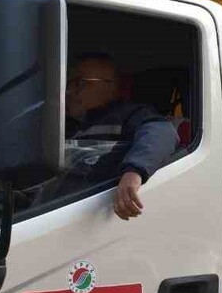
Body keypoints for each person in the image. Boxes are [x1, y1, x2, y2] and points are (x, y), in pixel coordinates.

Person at [63, 52, 179, 220]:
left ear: (110, 86)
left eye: (80, 83)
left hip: (91, 213)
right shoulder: (64, 124)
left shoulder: (129, 114)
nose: (69, 91)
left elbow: (161, 132)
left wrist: (133, 172)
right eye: (68, 84)